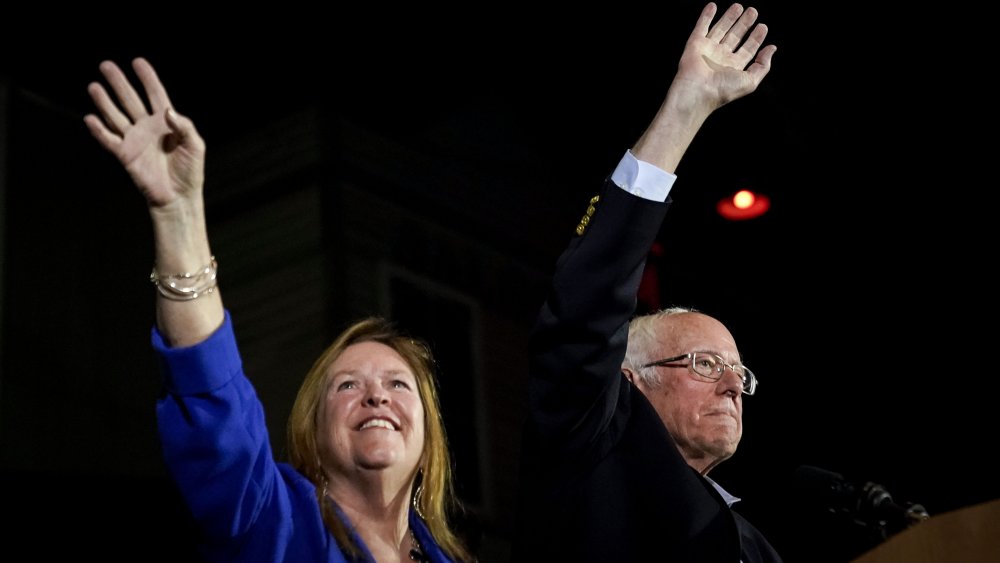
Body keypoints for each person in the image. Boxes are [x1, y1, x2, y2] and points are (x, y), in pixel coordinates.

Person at [83, 57, 473, 562]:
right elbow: (211, 398)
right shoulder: (270, 520)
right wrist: (178, 213)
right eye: (348, 385)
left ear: (430, 434)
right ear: (313, 431)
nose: (377, 397)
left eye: (399, 384)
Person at [513, 3, 782, 562]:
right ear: (629, 381)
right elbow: (589, 297)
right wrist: (685, 110)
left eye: (737, 372)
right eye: (704, 365)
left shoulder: (756, 547)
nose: (733, 386)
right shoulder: (592, 446)